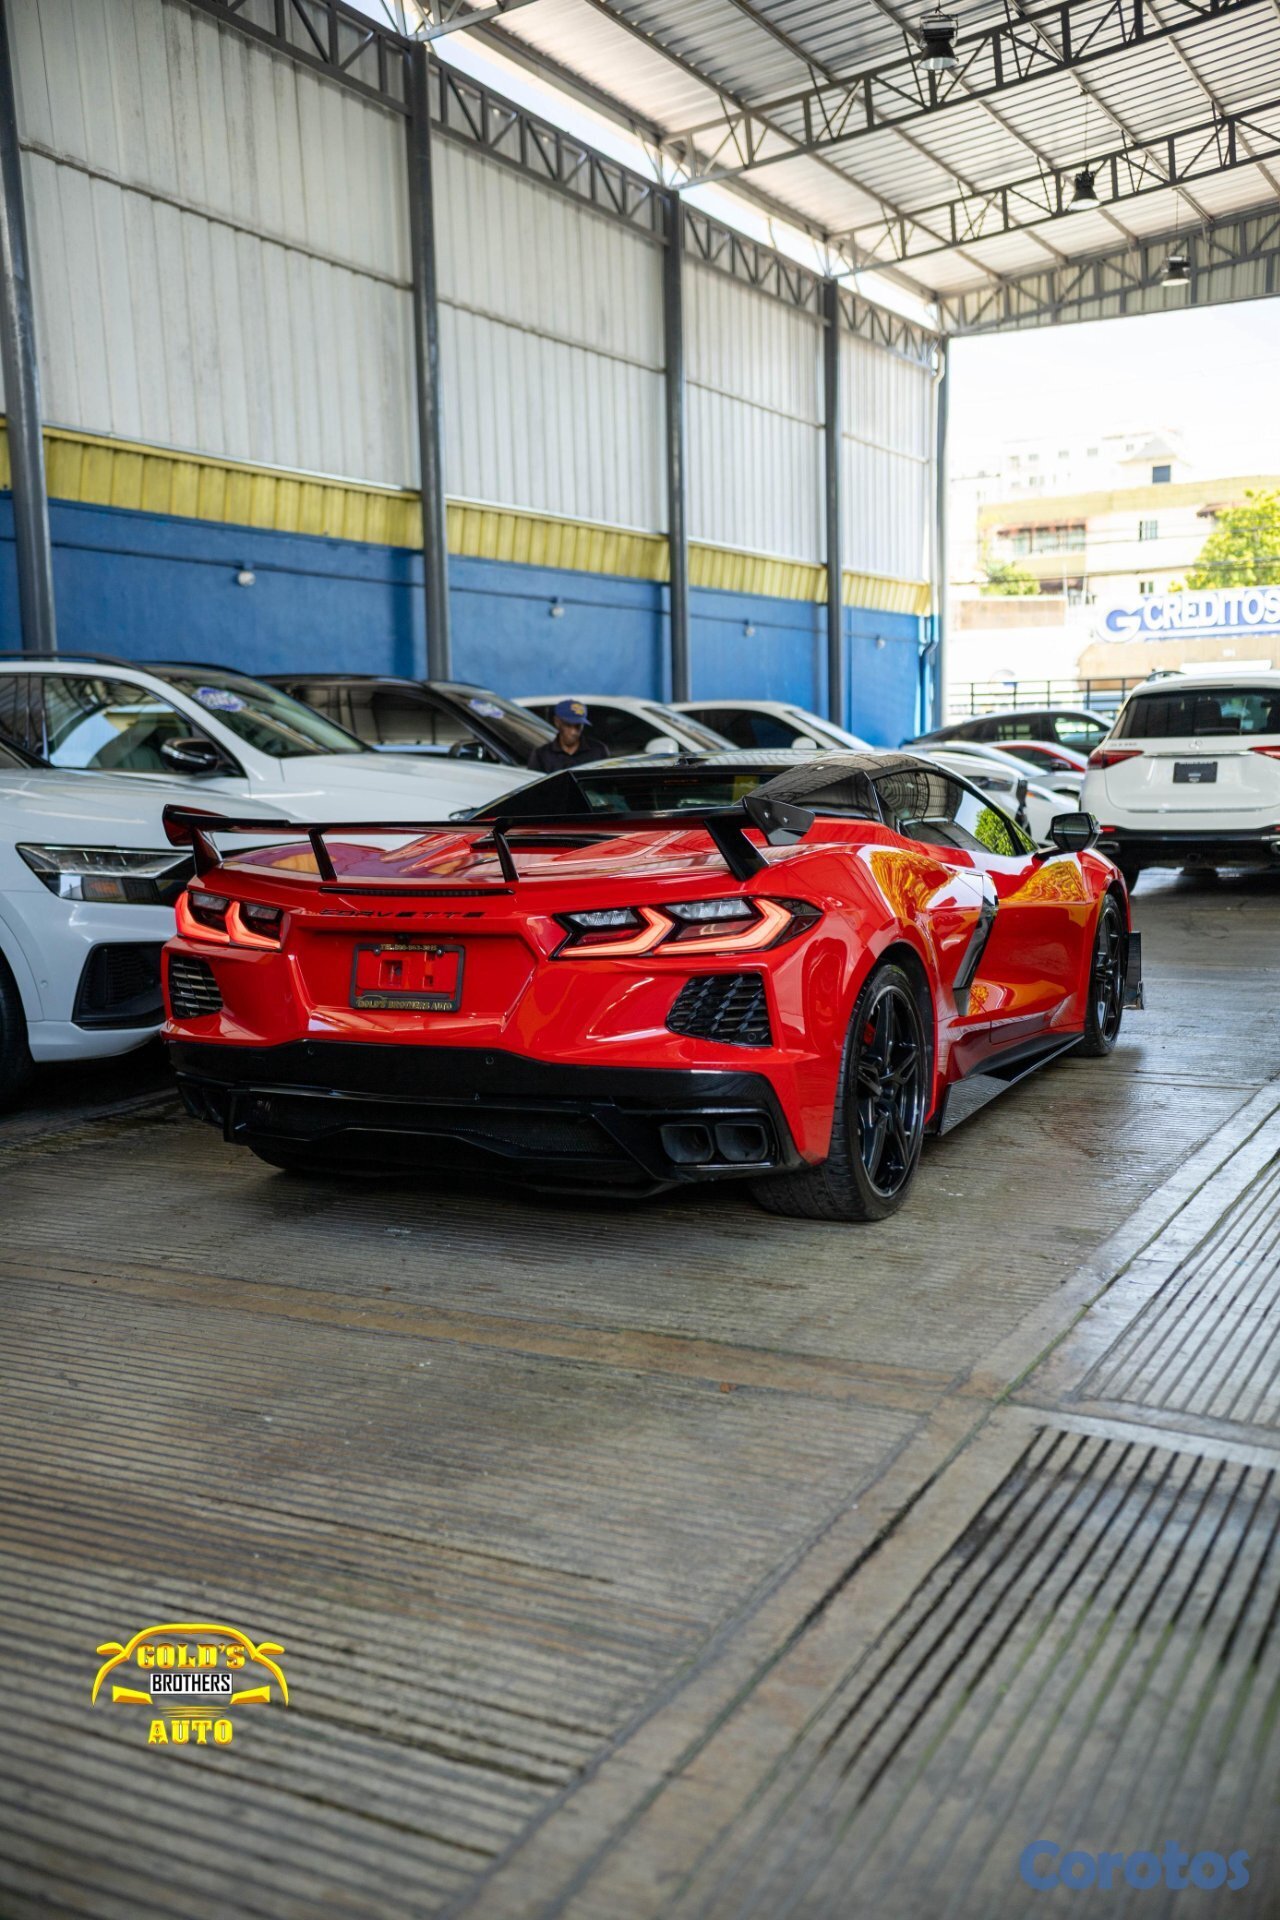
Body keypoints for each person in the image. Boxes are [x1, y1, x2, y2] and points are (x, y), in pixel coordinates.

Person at [527, 699, 609, 774]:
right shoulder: (541, 755)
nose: (573, 732)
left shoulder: (598, 750)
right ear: (557, 722)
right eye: (568, 725)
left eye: (578, 726)